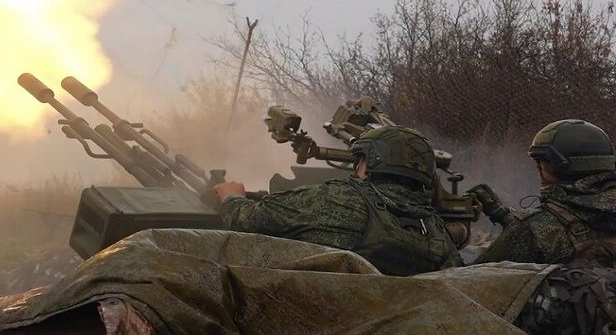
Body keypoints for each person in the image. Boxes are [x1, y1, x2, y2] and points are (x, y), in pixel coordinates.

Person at [213, 125, 462, 276]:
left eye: (359, 160)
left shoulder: (338, 200)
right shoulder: (438, 231)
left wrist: (231, 197)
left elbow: (247, 220)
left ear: (370, 163)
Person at [472, 119, 616, 266]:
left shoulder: (531, 230)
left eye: (539, 163)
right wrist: (502, 215)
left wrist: (457, 233)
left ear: (557, 166)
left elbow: (472, 276)